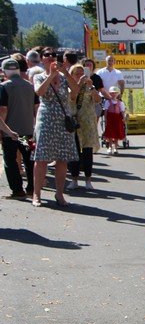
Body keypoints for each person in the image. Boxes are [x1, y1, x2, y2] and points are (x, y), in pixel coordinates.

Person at [31, 48, 81, 207]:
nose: (51, 57)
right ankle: (36, 194)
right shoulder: (39, 76)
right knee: (41, 158)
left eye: (53, 55)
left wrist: (65, 72)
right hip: (46, 119)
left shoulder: (64, 77)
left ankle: (59, 193)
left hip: (63, 120)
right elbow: (39, 92)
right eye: (47, 55)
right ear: (42, 59)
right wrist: (51, 75)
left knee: (62, 158)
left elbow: (76, 90)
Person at [0, 57, 37, 199]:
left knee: (10, 160)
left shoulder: (4, 86)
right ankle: (32, 189)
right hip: (27, 130)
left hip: (10, 132)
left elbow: (3, 109)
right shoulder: (30, 86)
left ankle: (17, 190)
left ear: (4, 71)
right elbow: (36, 108)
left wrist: (3, 129)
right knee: (29, 160)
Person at [66, 64, 101, 190]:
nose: (80, 76)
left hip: (87, 122)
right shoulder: (68, 86)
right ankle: (74, 179)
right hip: (74, 121)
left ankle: (88, 179)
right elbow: (72, 98)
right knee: (74, 151)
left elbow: (98, 100)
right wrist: (79, 84)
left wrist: (91, 86)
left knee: (87, 151)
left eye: (82, 73)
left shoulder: (89, 87)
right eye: (77, 74)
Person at [102, 86, 126, 155]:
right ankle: (110, 147)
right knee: (110, 133)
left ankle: (115, 147)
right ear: (110, 93)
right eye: (112, 93)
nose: (114, 94)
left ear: (118, 94)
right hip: (110, 118)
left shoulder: (120, 103)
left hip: (117, 119)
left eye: (115, 93)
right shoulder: (107, 102)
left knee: (116, 133)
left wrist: (123, 118)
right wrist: (106, 119)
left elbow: (122, 111)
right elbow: (106, 111)